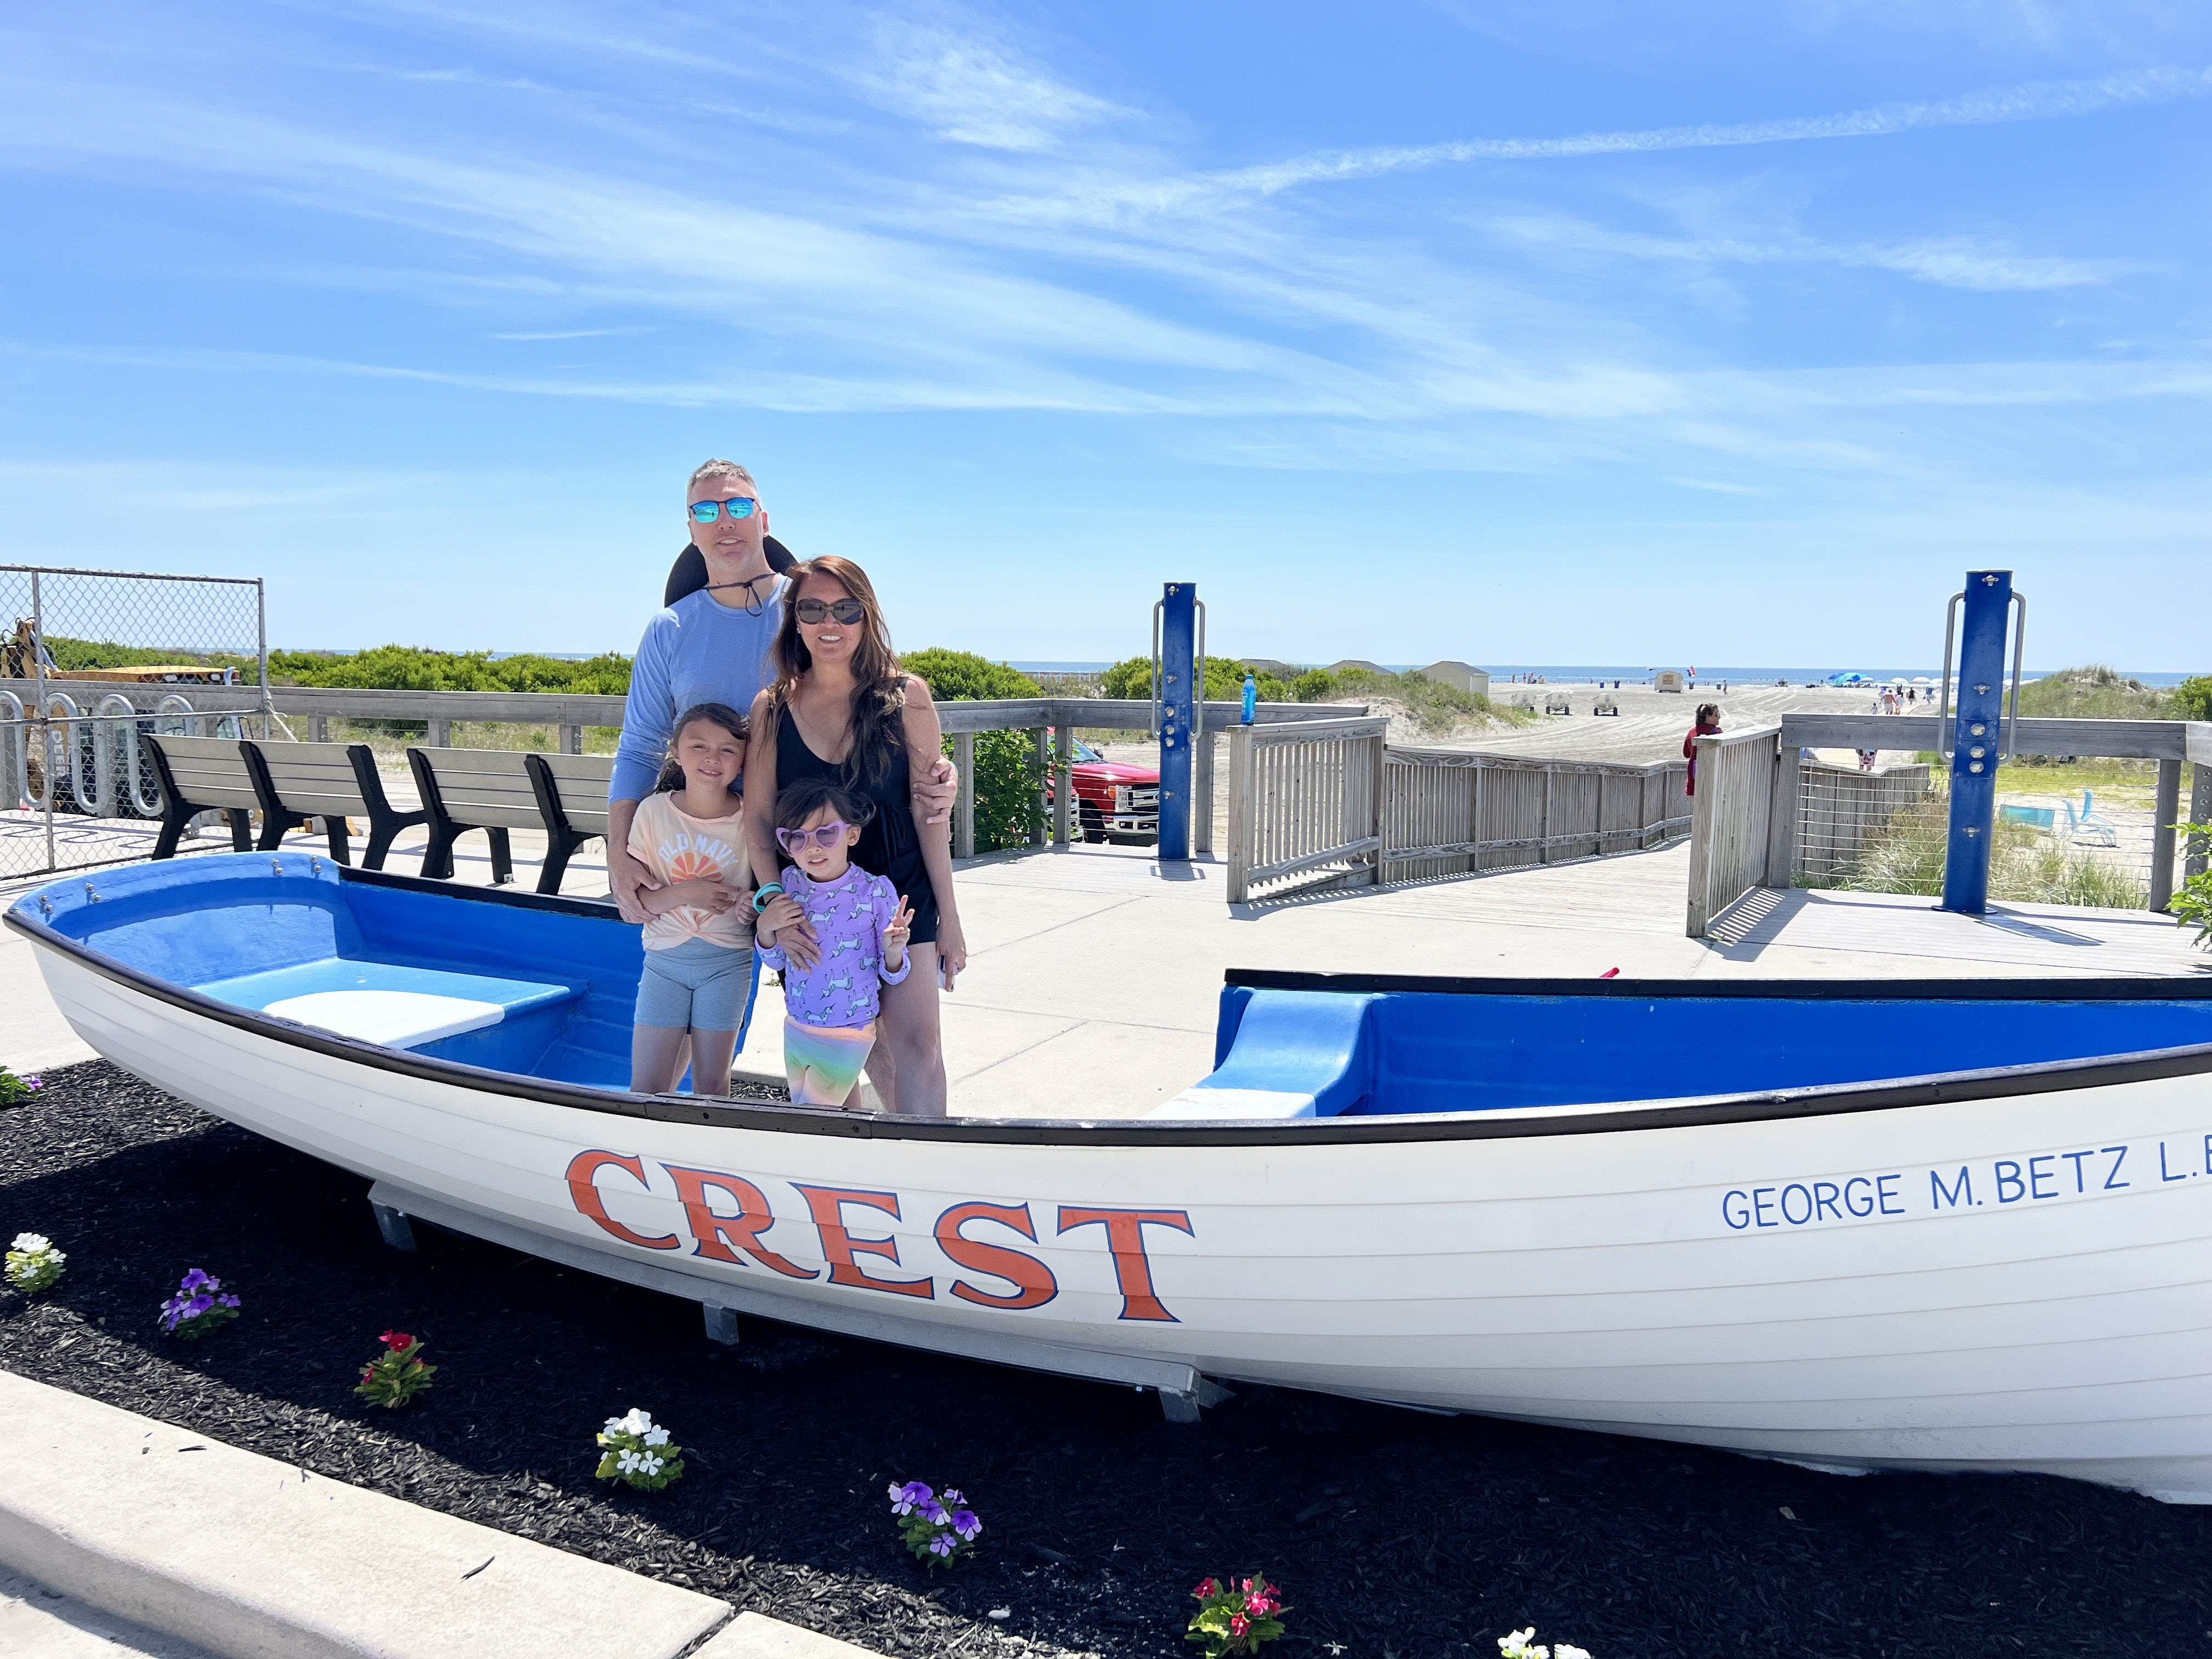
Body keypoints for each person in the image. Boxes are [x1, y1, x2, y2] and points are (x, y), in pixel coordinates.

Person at [605, 460, 958, 928]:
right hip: (710, 846)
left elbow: (881, 689)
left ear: (764, 520)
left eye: (737, 505)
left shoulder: (811, 605)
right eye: (706, 511)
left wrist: (936, 770)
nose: (724, 520)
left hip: (811, 841)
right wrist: (618, 853)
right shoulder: (668, 630)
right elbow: (639, 747)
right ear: (691, 528)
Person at [744, 555, 966, 1118]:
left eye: (845, 609)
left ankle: (926, 1169)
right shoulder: (772, 708)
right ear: (794, 620)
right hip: (816, 896)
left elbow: (930, 812)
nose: (830, 623)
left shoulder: (906, 697)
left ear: (866, 617)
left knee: (918, 1043)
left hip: (903, 886)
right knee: (844, 1043)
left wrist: (952, 917)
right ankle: (865, 1165)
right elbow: (758, 815)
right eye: (813, 609)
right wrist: (774, 901)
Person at [754, 778, 914, 1108]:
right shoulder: (788, 885)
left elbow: (895, 974)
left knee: (811, 1119)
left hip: (848, 1031)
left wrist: (894, 950)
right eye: (796, 837)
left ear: (852, 835)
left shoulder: (875, 891)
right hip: (797, 1024)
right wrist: (765, 927)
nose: (812, 847)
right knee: (840, 1120)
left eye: (826, 833)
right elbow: (778, 962)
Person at [627, 703, 754, 1097]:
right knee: (647, 1087)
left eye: (728, 750)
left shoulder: (751, 819)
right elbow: (638, 903)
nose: (712, 758)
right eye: (699, 746)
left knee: (712, 1087)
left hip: (728, 964)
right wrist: (691, 892)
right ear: (676, 752)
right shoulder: (652, 813)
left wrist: (750, 906)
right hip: (664, 964)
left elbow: (761, 895)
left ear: (744, 760)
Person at [1682, 702, 1722, 794]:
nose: (1719, 717)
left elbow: (1686, 753)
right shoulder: (1716, 733)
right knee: (1711, 807)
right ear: (1708, 717)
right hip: (1711, 776)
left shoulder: (1692, 732)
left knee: (1696, 808)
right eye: (1717, 715)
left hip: (1693, 777)